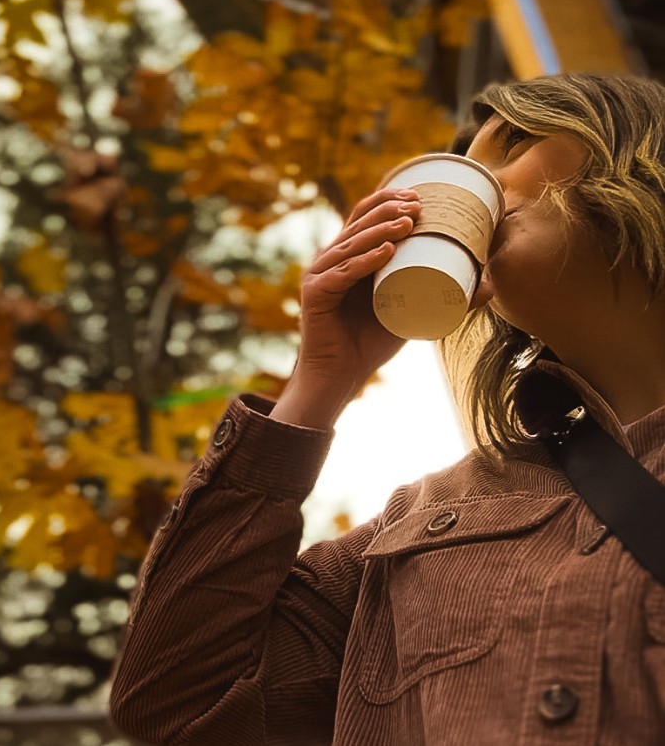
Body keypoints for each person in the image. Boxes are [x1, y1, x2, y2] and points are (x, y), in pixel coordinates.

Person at [108, 73, 665, 745]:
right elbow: (176, 702)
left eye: (514, 143)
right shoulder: (415, 527)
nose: (476, 189)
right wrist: (319, 382)